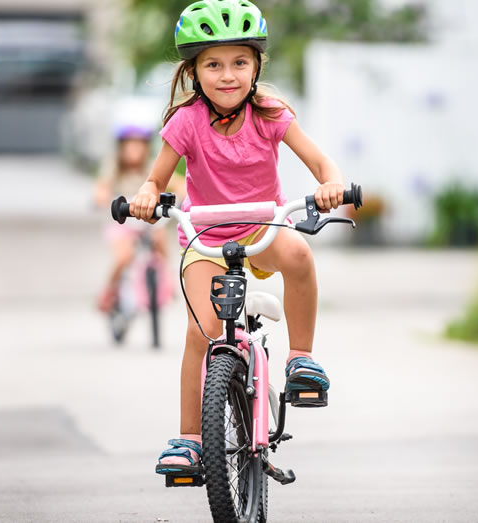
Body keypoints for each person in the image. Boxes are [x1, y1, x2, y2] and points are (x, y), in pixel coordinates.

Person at [125, 0, 347, 477]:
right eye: (213, 64)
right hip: (204, 236)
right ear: (193, 72)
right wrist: (146, 195)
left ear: (256, 65)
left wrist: (330, 184)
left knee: (301, 257)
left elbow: (323, 164)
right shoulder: (186, 121)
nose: (228, 75)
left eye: (239, 62)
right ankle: (188, 440)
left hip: (263, 227)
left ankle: (301, 360)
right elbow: (156, 179)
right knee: (201, 331)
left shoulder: (270, 113)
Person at [94, 124, 180, 313]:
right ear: (121, 148)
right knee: (124, 256)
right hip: (123, 223)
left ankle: (167, 279)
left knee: (160, 241)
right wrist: (101, 196)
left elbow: (177, 183)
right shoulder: (114, 167)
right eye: (130, 146)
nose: (134, 150)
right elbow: (102, 187)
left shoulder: (152, 167)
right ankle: (109, 290)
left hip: (148, 223)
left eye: (139, 145)